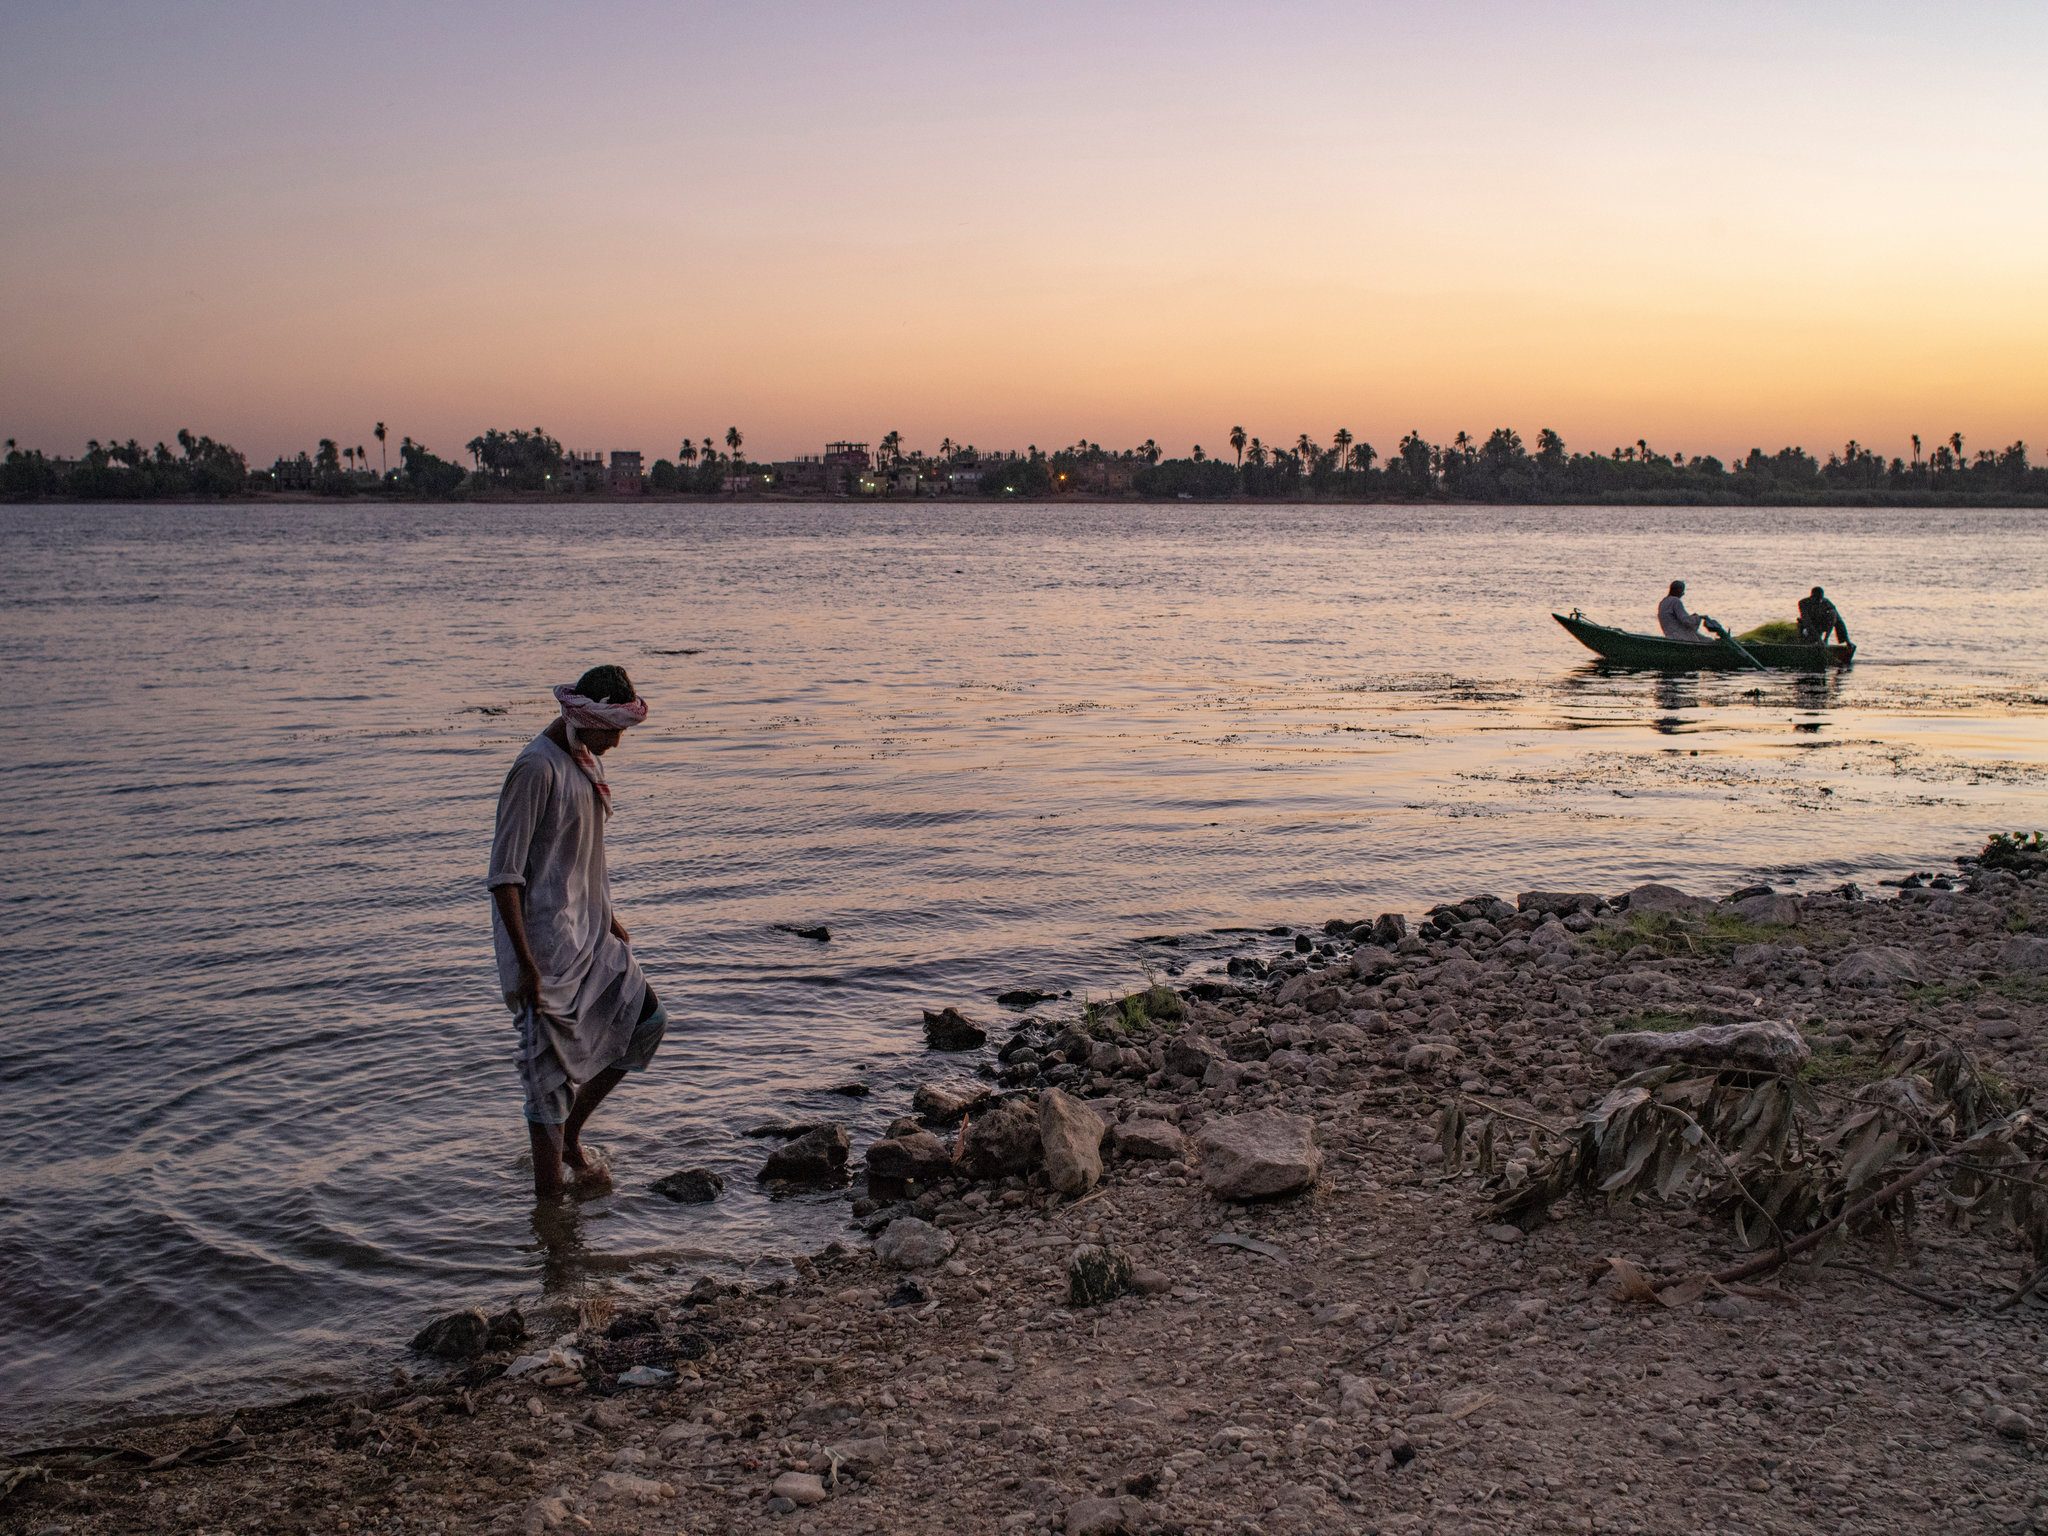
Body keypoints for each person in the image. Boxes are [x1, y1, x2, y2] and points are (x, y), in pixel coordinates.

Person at [488, 665, 666, 1199]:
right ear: (585, 716)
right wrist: (525, 964)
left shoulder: (581, 761)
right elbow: (505, 876)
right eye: (612, 728)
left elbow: (578, 853)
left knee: (647, 1022)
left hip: (588, 933)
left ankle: (571, 1136)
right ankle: (553, 1221)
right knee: (547, 1083)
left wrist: (607, 915)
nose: (617, 740)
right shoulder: (536, 769)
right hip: (543, 949)